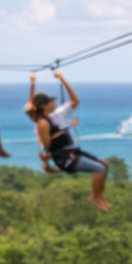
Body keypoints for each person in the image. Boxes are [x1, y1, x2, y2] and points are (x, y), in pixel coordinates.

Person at [32, 70, 108, 211]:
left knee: (105, 165)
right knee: (99, 169)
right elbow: (49, 146)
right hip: (64, 159)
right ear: (43, 105)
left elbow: (75, 101)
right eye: (49, 101)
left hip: (72, 152)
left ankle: (98, 194)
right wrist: (63, 132)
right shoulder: (43, 123)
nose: (52, 103)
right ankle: (95, 198)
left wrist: (62, 78)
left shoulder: (53, 117)